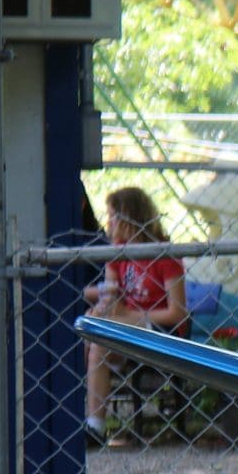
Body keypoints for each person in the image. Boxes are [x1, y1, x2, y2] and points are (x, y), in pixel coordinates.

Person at [84, 186, 189, 446]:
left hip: (160, 331)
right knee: (93, 330)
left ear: (130, 218)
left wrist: (134, 314)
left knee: (99, 331)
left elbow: (177, 313)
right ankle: (93, 426)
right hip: (126, 326)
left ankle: (93, 422)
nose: (108, 223)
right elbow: (111, 292)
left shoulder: (164, 255)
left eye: (113, 216)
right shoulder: (117, 251)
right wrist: (104, 306)